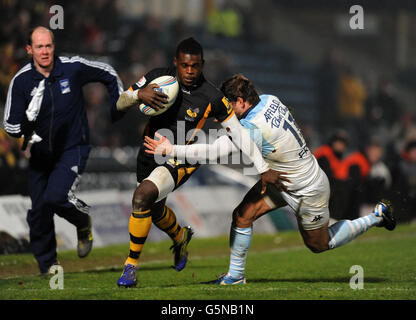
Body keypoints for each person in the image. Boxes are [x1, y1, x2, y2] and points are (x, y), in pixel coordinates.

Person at [145, 74, 396, 285]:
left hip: (308, 189)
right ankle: (235, 276)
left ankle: (375, 217)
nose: (225, 114)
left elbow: (213, 151)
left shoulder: (252, 128)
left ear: (241, 102)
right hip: (280, 180)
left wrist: (171, 150)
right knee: (242, 215)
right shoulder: (269, 99)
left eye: (228, 106)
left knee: (319, 244)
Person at [115, 38, 283, 287]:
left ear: (202, 64)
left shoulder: (213, 97)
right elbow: (120, 103)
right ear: (176, 63)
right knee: (154, 208)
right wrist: (139, 94)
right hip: (149, 152)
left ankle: (130, 267)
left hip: (180, 157)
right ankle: (180, 236)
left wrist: (262, 168)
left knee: (142, 196)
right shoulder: (156, 77)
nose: (190, 71)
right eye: (185, 65)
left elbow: (238, 133)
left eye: (195, 66)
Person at [3, 26, 124, 275]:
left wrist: (117, 105)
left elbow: (109, 73)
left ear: (53, 46)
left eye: (48, 46)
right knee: (39, 212)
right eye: (39, 47)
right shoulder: (21, 81)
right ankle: (48, 266)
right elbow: (9, 124)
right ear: (29, 50)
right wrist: (26, 125)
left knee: (56, 197)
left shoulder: (73, 67)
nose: (45, 51)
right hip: (40, 155)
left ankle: (82, 220)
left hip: (73, 147)